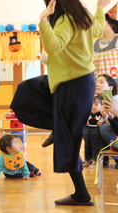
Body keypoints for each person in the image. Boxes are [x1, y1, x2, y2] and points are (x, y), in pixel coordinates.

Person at [10, 0, 110, 206]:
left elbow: (54, 47)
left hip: (72, 85)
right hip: (79, 82)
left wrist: (43, 20)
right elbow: (98, 29)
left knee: (69, 139)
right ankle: (58, 126)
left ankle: (81, 194)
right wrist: (100, 8)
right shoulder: (83, 17)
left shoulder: (65, 19)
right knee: (29, 90)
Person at [95, 74, 118, 167]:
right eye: (96, 82)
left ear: (110, 87)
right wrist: (107, 117)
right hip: (114, 129)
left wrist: (116, 113)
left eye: (101, 82)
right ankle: (102, 159)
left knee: (104, 127)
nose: (97, 84)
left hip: (113, 132)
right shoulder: (99, 101)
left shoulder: (115, 99)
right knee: (92, 128)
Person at [82, 95, 104, 169]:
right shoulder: (88, 113)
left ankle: (95, 161)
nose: (93, 107)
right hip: (87, 132)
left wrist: (102, 120)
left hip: (97, 132)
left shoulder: (102, 113)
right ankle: (87, 160)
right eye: (91, 105)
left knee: (96, 146)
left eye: (96, 105)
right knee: (87, 146)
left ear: (102, 106)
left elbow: (106, 117)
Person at [93, 14, 118, 78]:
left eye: (102, 22)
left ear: (112, 24)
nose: (99, 24)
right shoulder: (94, 43)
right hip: (97, 84)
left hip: (114, 83)